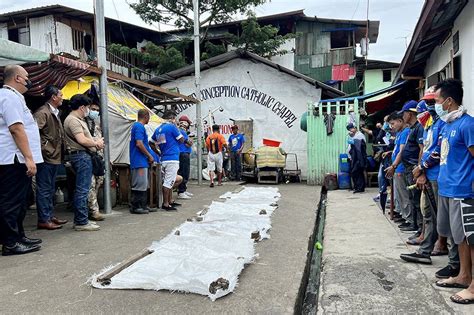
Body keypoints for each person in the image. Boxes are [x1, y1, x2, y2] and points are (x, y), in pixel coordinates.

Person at [431, 79, 474, 305]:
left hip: (462, 190)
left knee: (471, 237)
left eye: (437, 100)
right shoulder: (447, 125)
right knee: (460, 238)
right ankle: (464, 275)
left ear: (449, 101)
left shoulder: (468, 125)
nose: (436, 105)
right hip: (447, 188)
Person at [400, 92, 447, 264]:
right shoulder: (430, 125)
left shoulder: (443, 124)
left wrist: (422, 168)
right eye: (427, 102)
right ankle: (425, 250)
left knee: (436, 216)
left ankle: (433, 249)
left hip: (435, 175)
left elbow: (437, 152)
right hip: (427, 174)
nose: (429, 106)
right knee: (429, 214)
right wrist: (421, 171)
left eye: (432, 101)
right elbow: (426, 149)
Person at [0, 65, 43, 255]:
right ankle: (10, 242)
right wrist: (28, 157)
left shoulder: (15, 97)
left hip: (18, 158)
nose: (29, 80)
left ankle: (19, 236)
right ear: (18, 78)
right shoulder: (8, 96)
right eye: (26, 77)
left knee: (21, 200)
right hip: (13, 159)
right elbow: (16, 128)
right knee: (11, 202)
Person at [63, 94, 104, 231]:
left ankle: (82, 219)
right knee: (82, 190)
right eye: (87, 107)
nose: (89, 110)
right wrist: (96, 143)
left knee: (83, 189)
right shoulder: (73, 120)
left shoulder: (78, 119)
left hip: (83, 156)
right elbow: (81, 140)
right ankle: (81, 222)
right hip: (80, 156)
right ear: (82, 107)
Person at [33, 85, 68, 230]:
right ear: (53, 97)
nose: (62, 97)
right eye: (60, 94)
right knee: (44, 189)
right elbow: (34, 133)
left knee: (50, 188)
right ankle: (44, 219)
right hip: (46, 156)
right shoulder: (42, 112)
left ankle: (49, 215)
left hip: (54, 156)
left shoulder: (54, 112)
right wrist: (45, 148)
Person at [151, 110, 184, 210]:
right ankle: (166, 203)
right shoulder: (171, 127)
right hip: (172, 158)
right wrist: (177, 129)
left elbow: (151, 142)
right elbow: (181, 140)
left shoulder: (158, 129)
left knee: (172, 180)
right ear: (172, 118)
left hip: (164, 158)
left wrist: (158, 152)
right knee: (168, 181)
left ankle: (169, 201)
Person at [129, 109, 159, 214]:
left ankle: (143, 205)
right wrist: (149, 155)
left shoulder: (139, 127)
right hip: (139, 161)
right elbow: (139, 143)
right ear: (146, 116)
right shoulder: (138, 127)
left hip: (142, 161)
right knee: (139, 183)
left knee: (144, 184)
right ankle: (136, 206)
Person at [385, 112, 411, 227]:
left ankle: (409, 219)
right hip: (397, 168)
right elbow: (396, 150)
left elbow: (402, 151)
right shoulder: (400, 133)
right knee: (399, 195)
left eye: (393, 123)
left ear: (400, 121)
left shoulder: (405, 132)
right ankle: (403, 215)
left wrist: (394, 166)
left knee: (404, 195)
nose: (392, 126)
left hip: (401, 168)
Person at [85, 103, 105, 221]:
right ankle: (93, 211)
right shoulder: (83, 123)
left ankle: (92, 207)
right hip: (88, 156)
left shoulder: (97, 125)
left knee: (98, 182)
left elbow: (102, 142)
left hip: (99, 158)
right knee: (90, 185)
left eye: (97, 110)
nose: (95, 112)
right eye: (93, 109)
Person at [177, 115, 193, 200]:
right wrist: (190, 141)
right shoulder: (182, 132)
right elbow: (189, 143)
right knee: (184, 173)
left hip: (183, 153)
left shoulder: (180, 131)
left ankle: (183, 190)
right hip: (183, 154)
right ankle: (181, 191)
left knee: (183, 172)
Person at [347, 123, 366, 193]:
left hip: (358, 157)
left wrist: (352, 138)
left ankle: (360, 188)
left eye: (351, 129)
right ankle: (358, 187)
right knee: (356, 172)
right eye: (349, 129)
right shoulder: (354, 136)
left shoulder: (360, 135)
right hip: (354, 157)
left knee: (357, 172)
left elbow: (359, 146)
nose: (350, 131)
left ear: (355, 128)